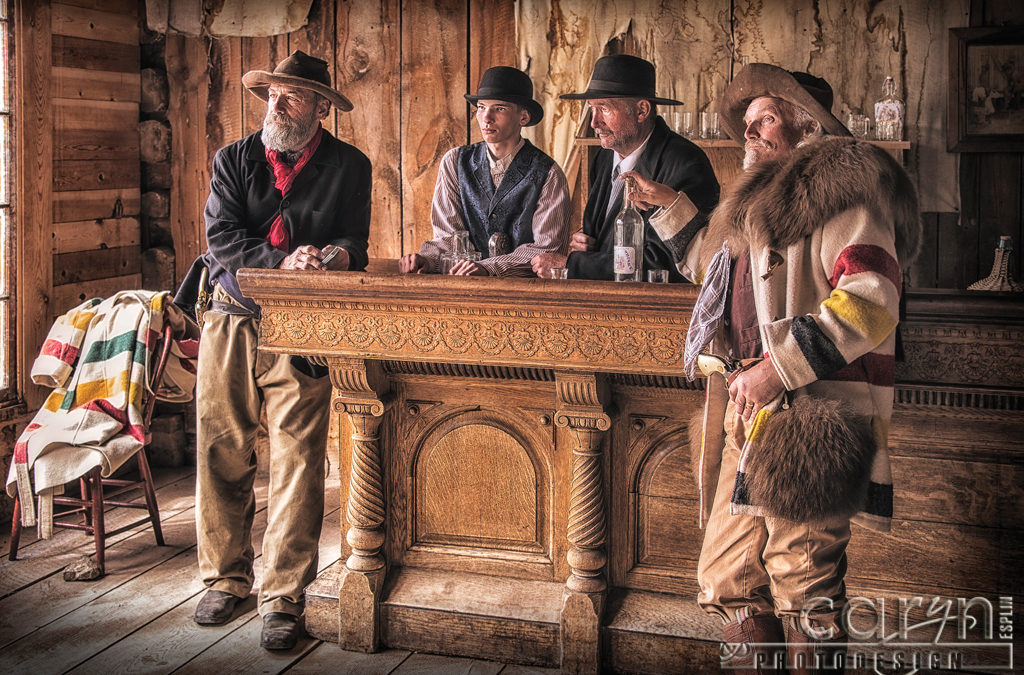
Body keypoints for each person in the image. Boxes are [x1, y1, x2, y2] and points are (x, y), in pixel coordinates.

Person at [635, 64, 920, 672]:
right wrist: (670, 209)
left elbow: (873, 297)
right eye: (747, 121)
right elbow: (715, 269)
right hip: (748, 410)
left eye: (763, 117)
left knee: (804, 583)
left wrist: (778, 368)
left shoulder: (847, 188)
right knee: (727, 579)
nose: (749, 131)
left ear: (806, 121)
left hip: (811, 418)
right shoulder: (762, 197)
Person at [174, 50, 372, 651]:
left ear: (318, 107)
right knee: (222, 447)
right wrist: (284, 260)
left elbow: (352, 243)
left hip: (304, 327)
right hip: (231, 317)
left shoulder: (350, 165)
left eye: (290, 96)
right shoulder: (233, 159)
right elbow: (224, 238)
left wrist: (333, 256)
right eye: (272, 94)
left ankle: (283, 594)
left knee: (299, 459)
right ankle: (224, 578)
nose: (276, 105)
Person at [530, 54, 719, 281]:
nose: (594, 122)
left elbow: (663, 264)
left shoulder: (687, 163)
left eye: (604, 109)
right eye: (592, 109)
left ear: (641, 111)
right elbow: (604, 240)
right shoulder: (603, 158)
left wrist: (574, 264)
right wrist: (586, 243)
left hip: (655, 312)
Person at [399, 66, 570, 277]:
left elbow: (545, 249)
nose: (486, 117)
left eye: (499, 108)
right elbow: (448, 237)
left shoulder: (548, 173)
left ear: (523, 117)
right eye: (481, 107)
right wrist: (428, 260)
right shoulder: (454, 162)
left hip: (526, 296)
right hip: (464, 292)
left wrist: (488, 268)